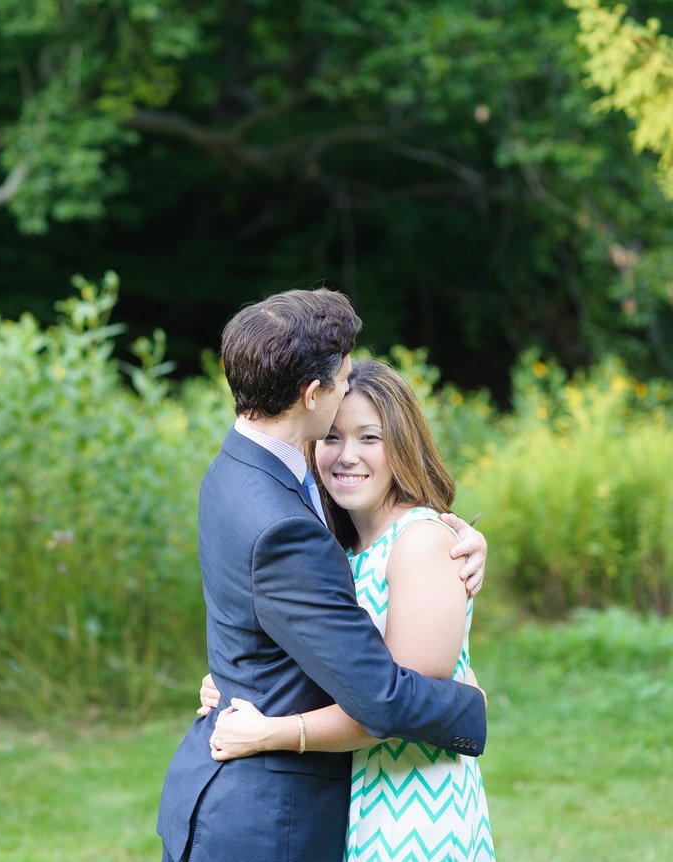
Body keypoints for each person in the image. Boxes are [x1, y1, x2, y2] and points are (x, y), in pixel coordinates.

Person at [155, 289, 488, 862]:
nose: (344, 451)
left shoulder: (236, 468)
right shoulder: (289, 520)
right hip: (275, 819)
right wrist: (467, 706)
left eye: (369, 438)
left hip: (395, 808)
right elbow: (380, 693)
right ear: (314, 395)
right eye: (341, 382)